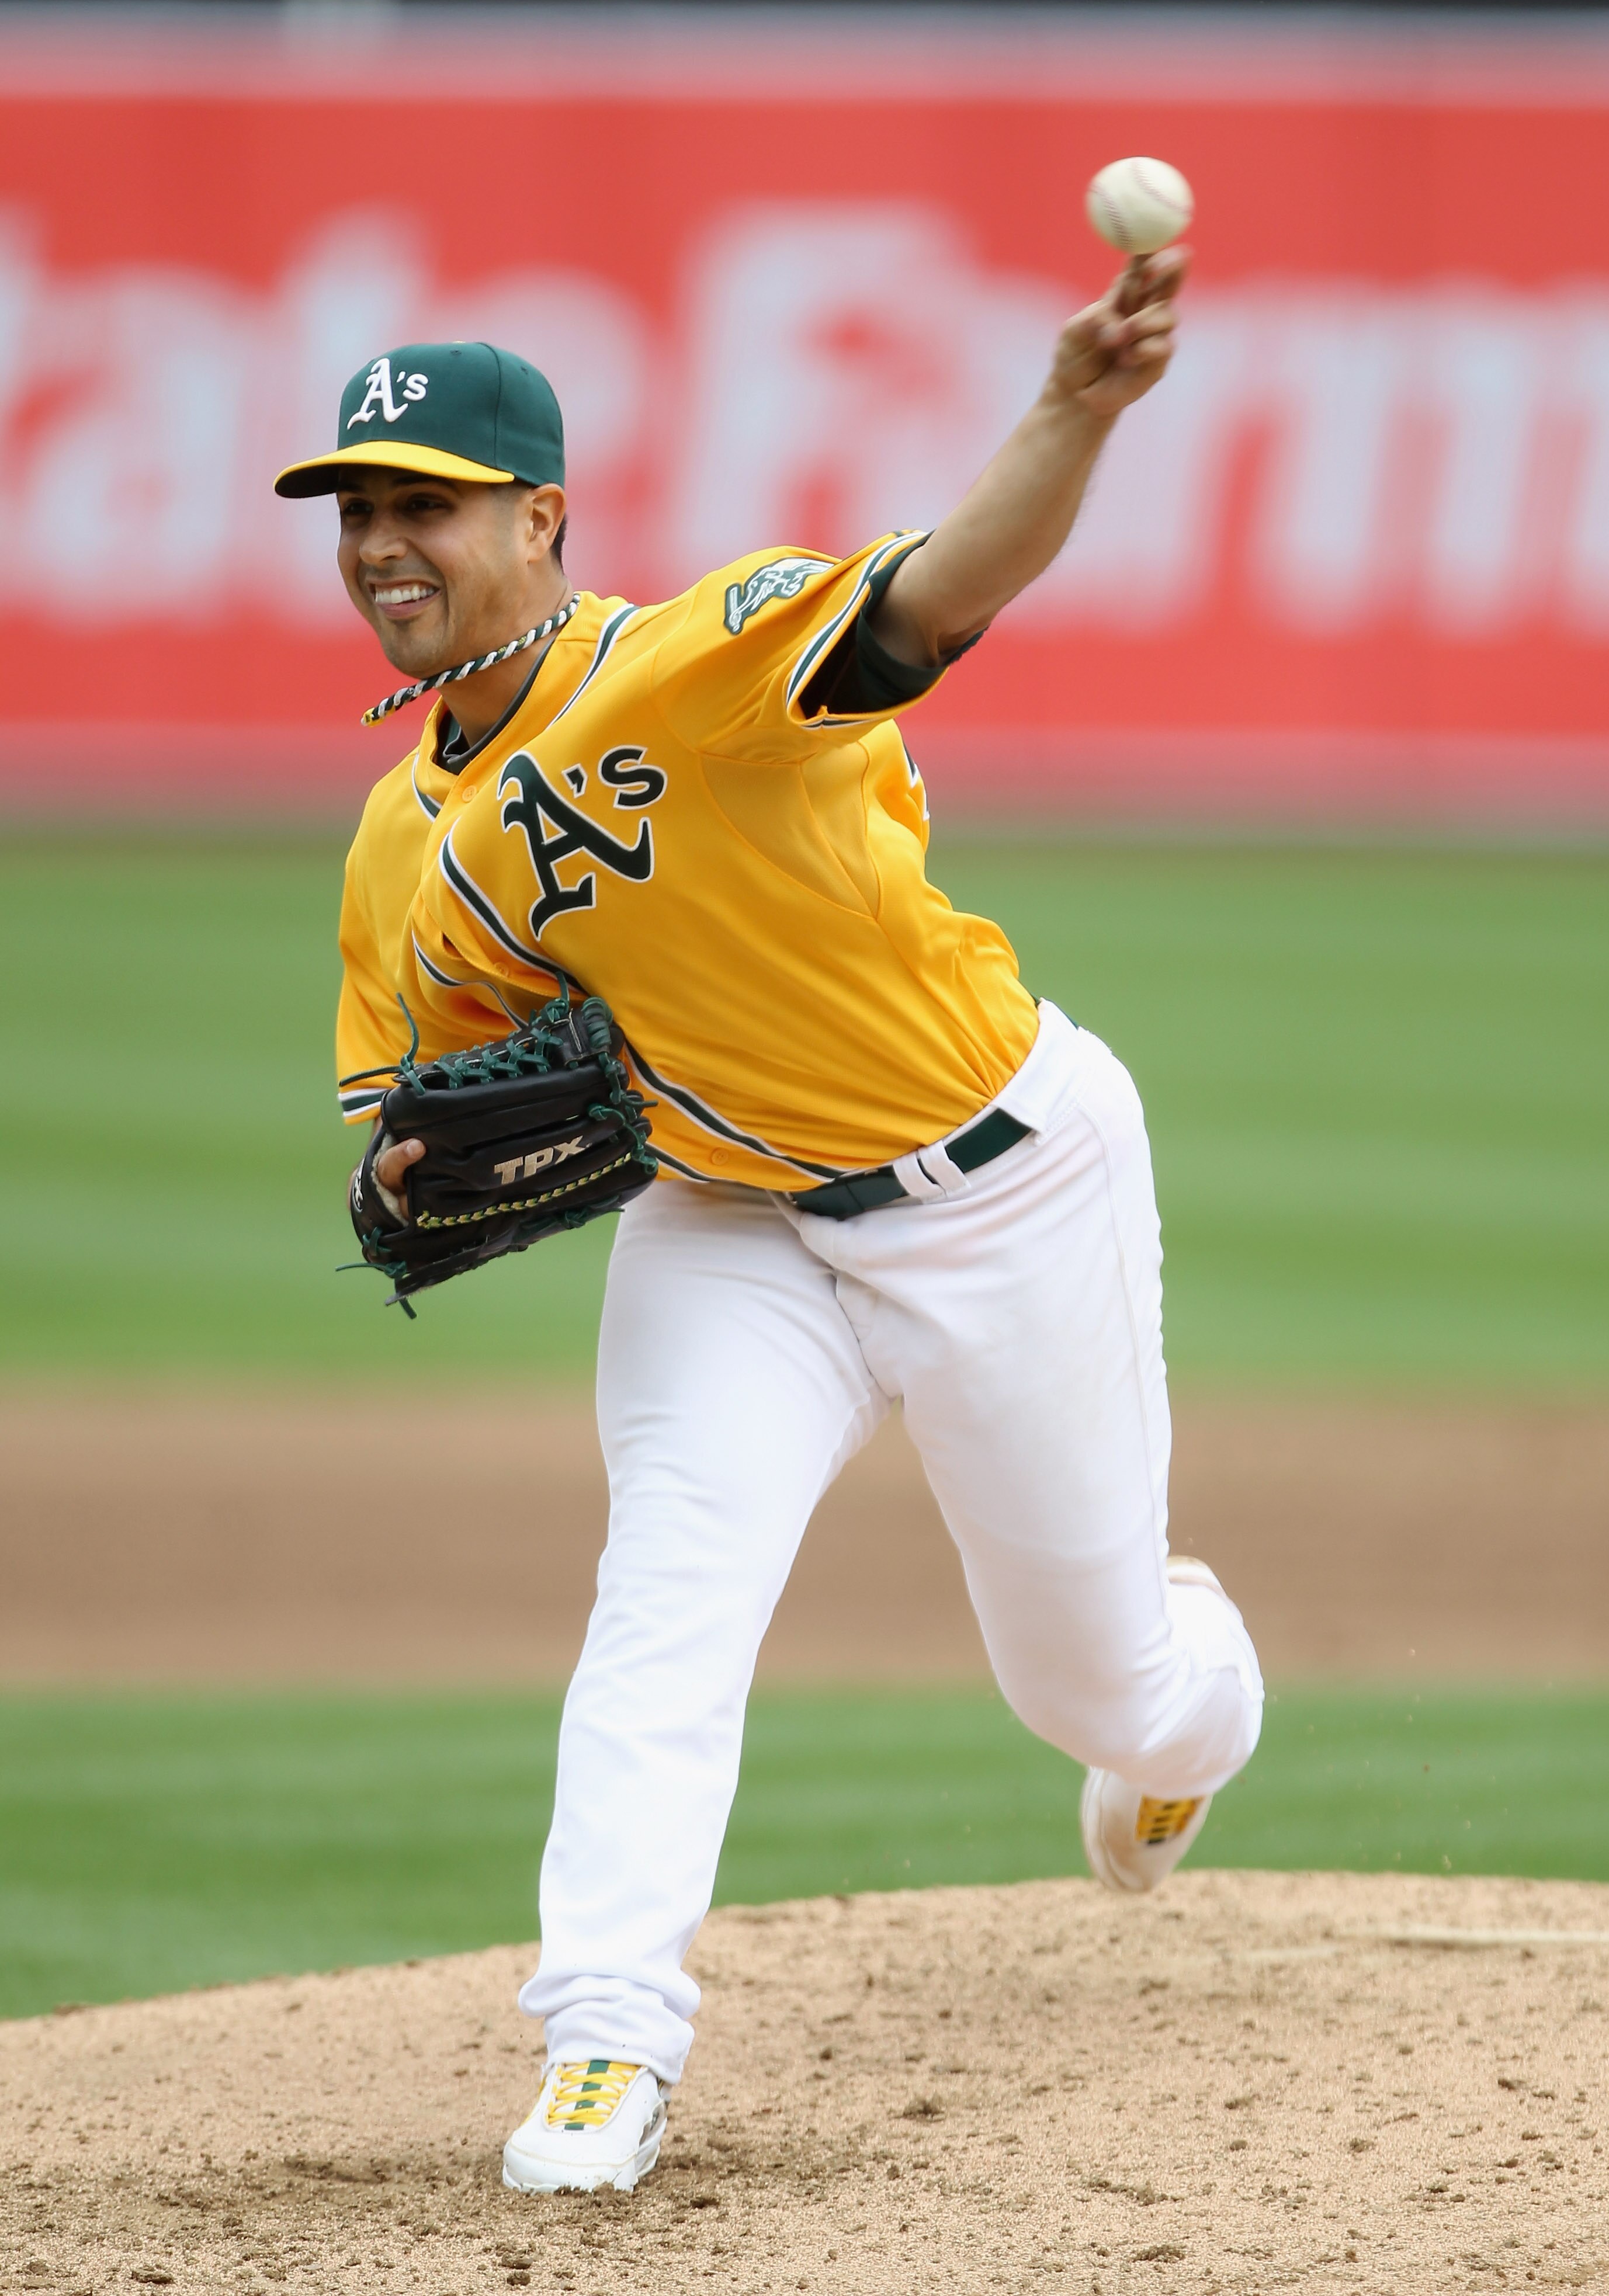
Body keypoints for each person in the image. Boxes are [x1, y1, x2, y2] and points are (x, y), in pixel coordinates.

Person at [275, 243, 1263, 2198]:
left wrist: (1073, 407)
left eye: (429, 505)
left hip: (1004, 1180)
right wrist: (412, 1174)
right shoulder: (399, 847)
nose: (387, 544)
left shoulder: (696, 657)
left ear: (541, 516)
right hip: (732, 1229)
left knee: (1096, 1683)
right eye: (361, 510)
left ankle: (1191, 1707)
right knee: (668, 1593)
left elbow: (936, 597)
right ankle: (605, 2044)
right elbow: (403, 1138)